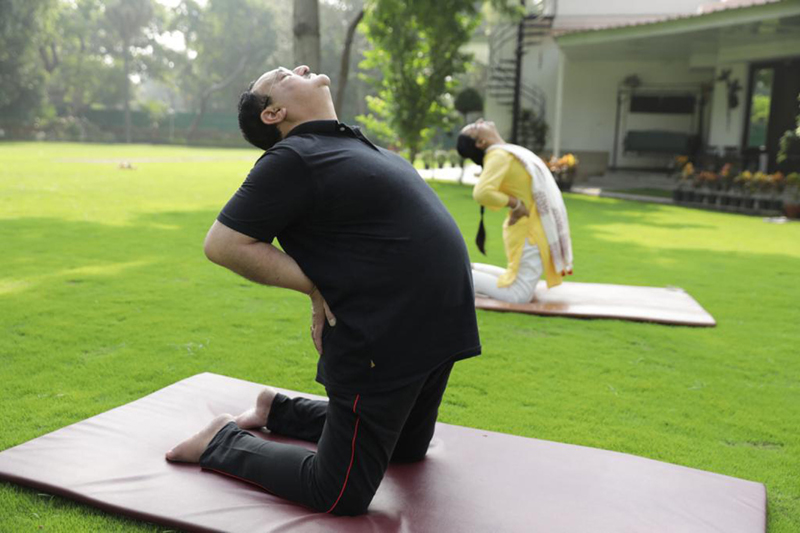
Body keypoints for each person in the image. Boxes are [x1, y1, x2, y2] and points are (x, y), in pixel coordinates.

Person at [165, 65, 481, 516]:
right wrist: (314, 286)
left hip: (434, 331)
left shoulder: (349, 141)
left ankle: (278, 411)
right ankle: (221, 440)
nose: (301, 68)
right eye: (282, 74)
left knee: (409, 447)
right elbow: (223, 244)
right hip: (383, 336)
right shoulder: (291, 158)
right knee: (337, 491)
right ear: (274, 113)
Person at [456, 119, 573, 304]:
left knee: (515, 279)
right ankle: (457, 277)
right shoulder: (498, 156)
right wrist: (516, 204)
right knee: (519, 295)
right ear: (480, 143)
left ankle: (467, 269)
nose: (480, 121)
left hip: (528, 229)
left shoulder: (504, 153)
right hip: (530, 232)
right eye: (475, 127)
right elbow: (481, 192)